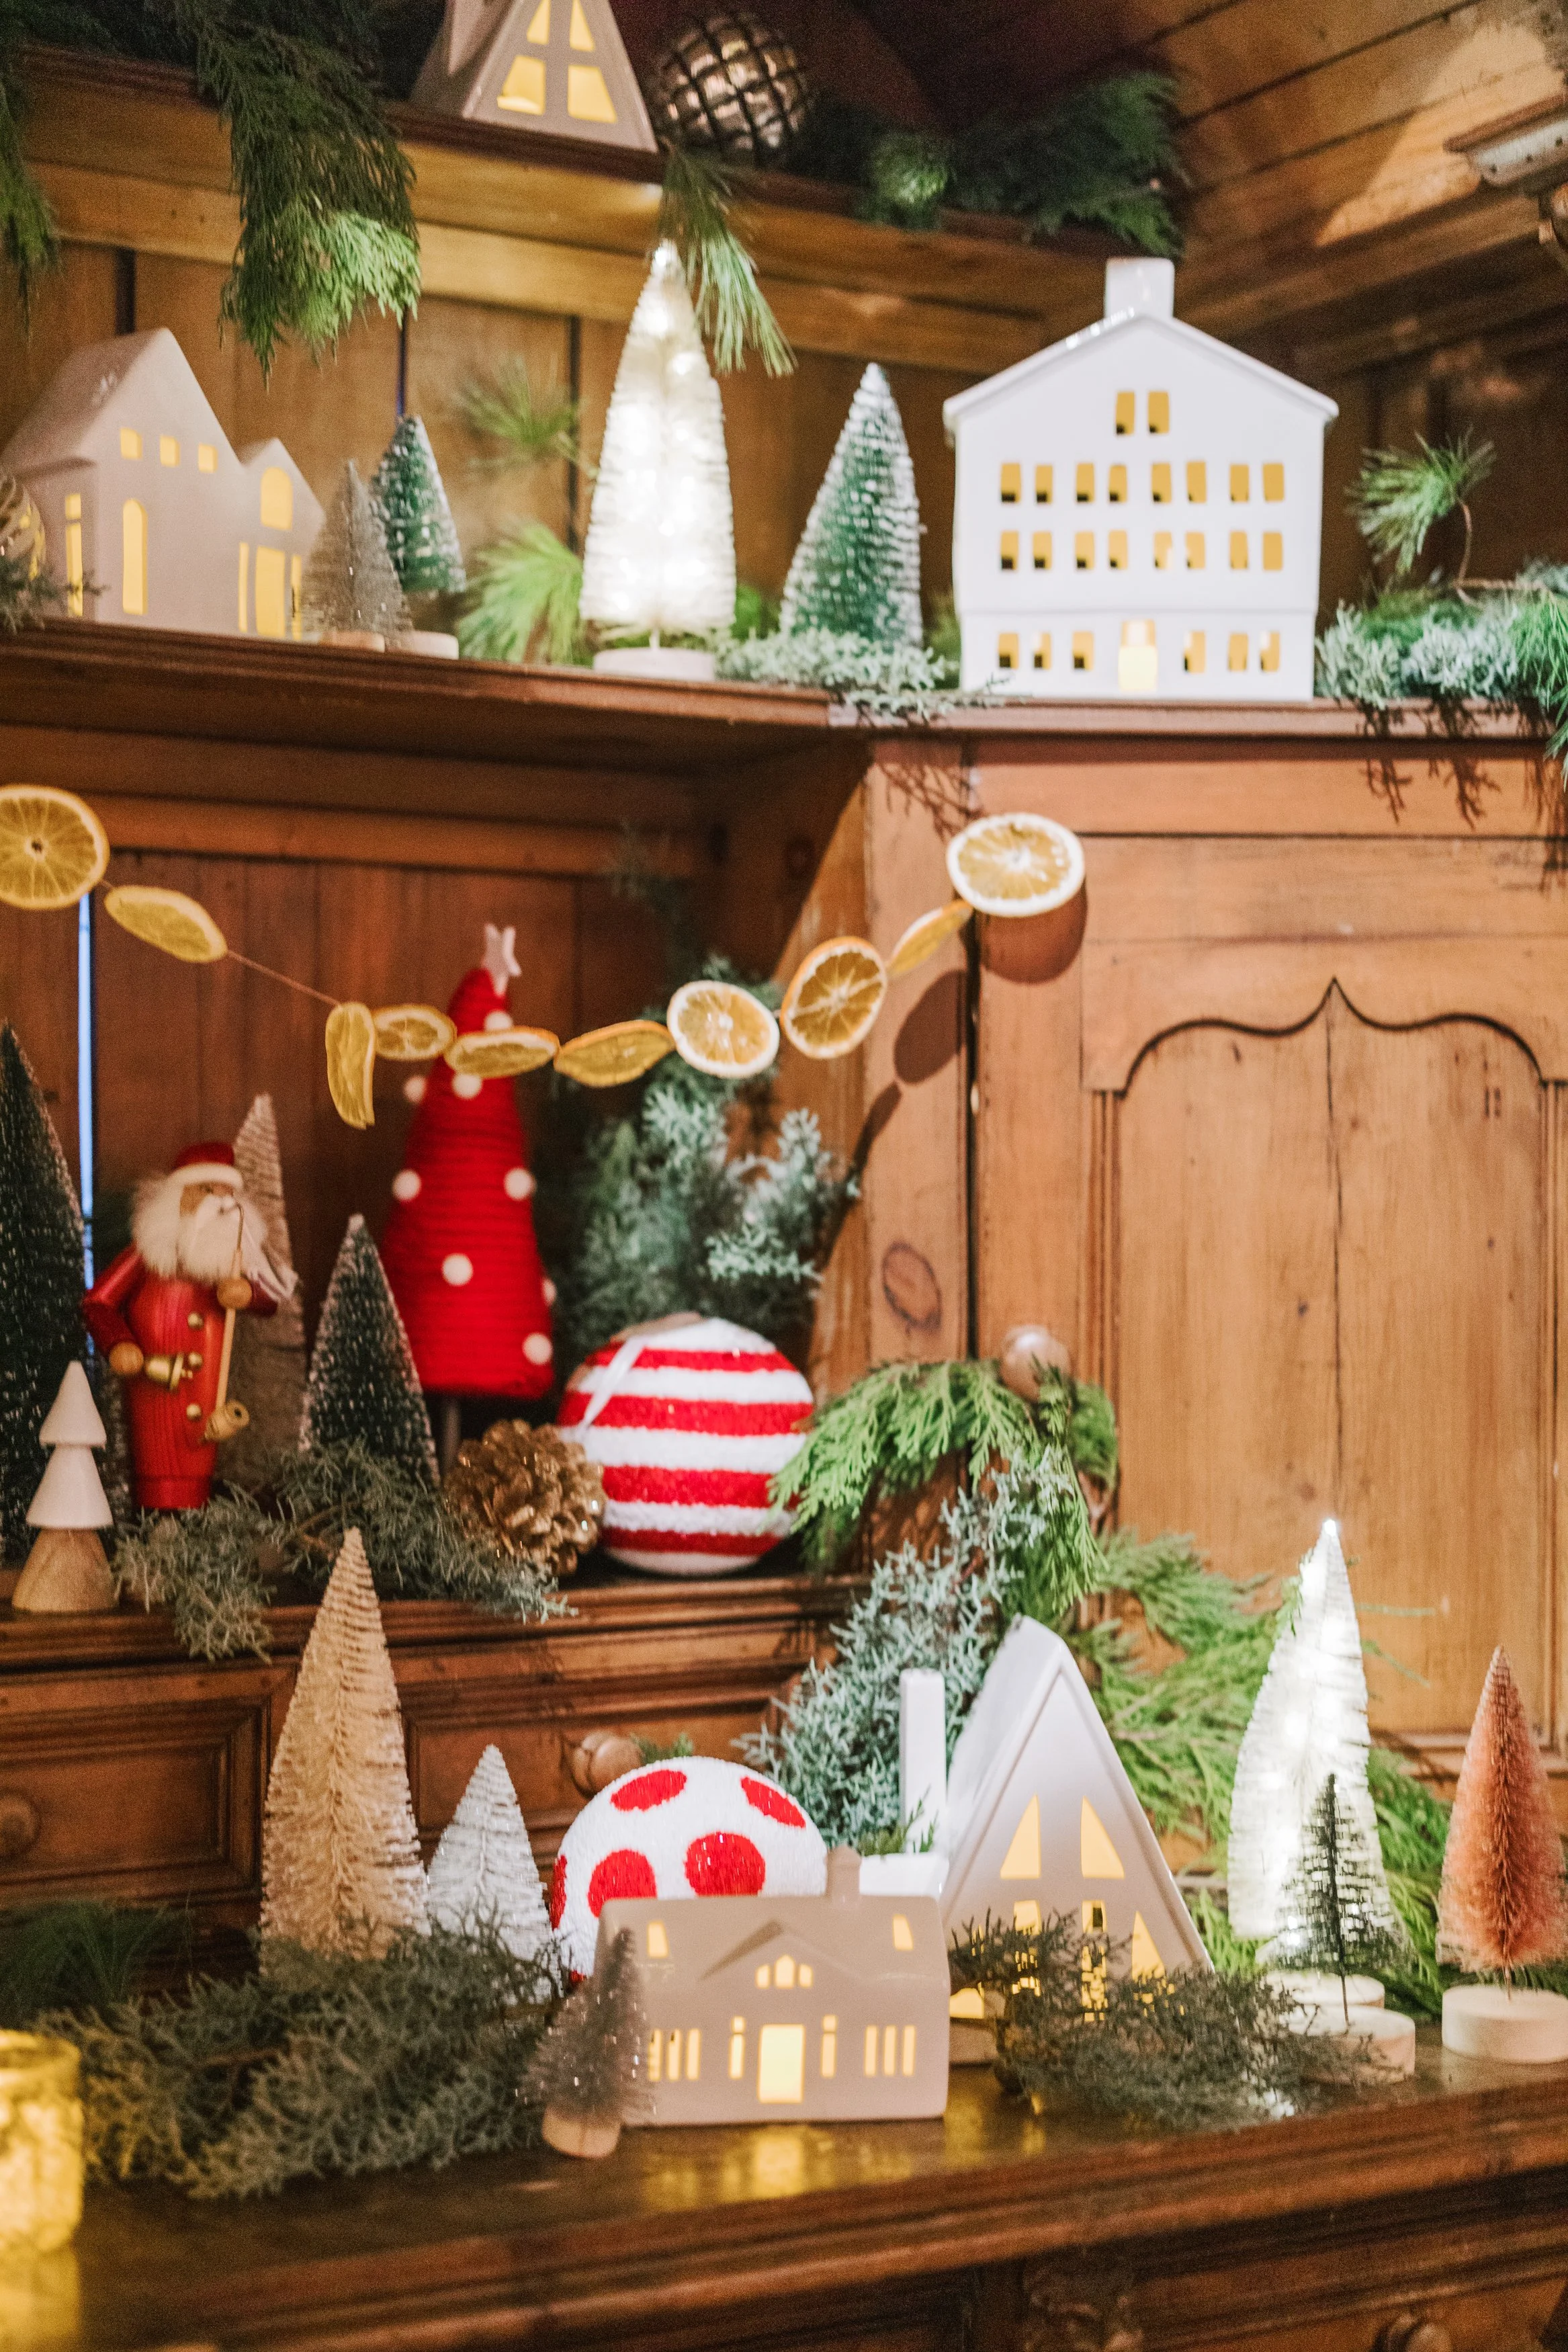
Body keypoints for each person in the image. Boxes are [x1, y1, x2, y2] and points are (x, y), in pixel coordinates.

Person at [83, 1140, 295, 1510]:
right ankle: (156, 1519)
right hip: (154, 1387)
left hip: (207, 1389)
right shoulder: (148, 1254)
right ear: (175, 1198)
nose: (221, 1203)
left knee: (200, 1461)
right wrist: (118, 1343)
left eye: (228, 1194)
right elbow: (99, 1302)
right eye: (207, 1191)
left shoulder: (231, 1261)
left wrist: (248, 1293)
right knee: (157, 1458)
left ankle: (194, 1521)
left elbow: (268, 1302)